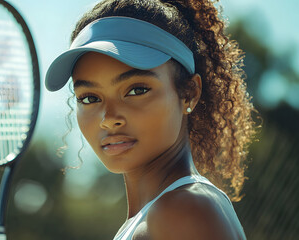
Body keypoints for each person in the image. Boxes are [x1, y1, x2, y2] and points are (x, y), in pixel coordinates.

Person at [45, 0, 256, 239]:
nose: (108, 119)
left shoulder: (183, 211)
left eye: (136, 90)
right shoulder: (160, 215)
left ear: (189, 93)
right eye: (90, 98)